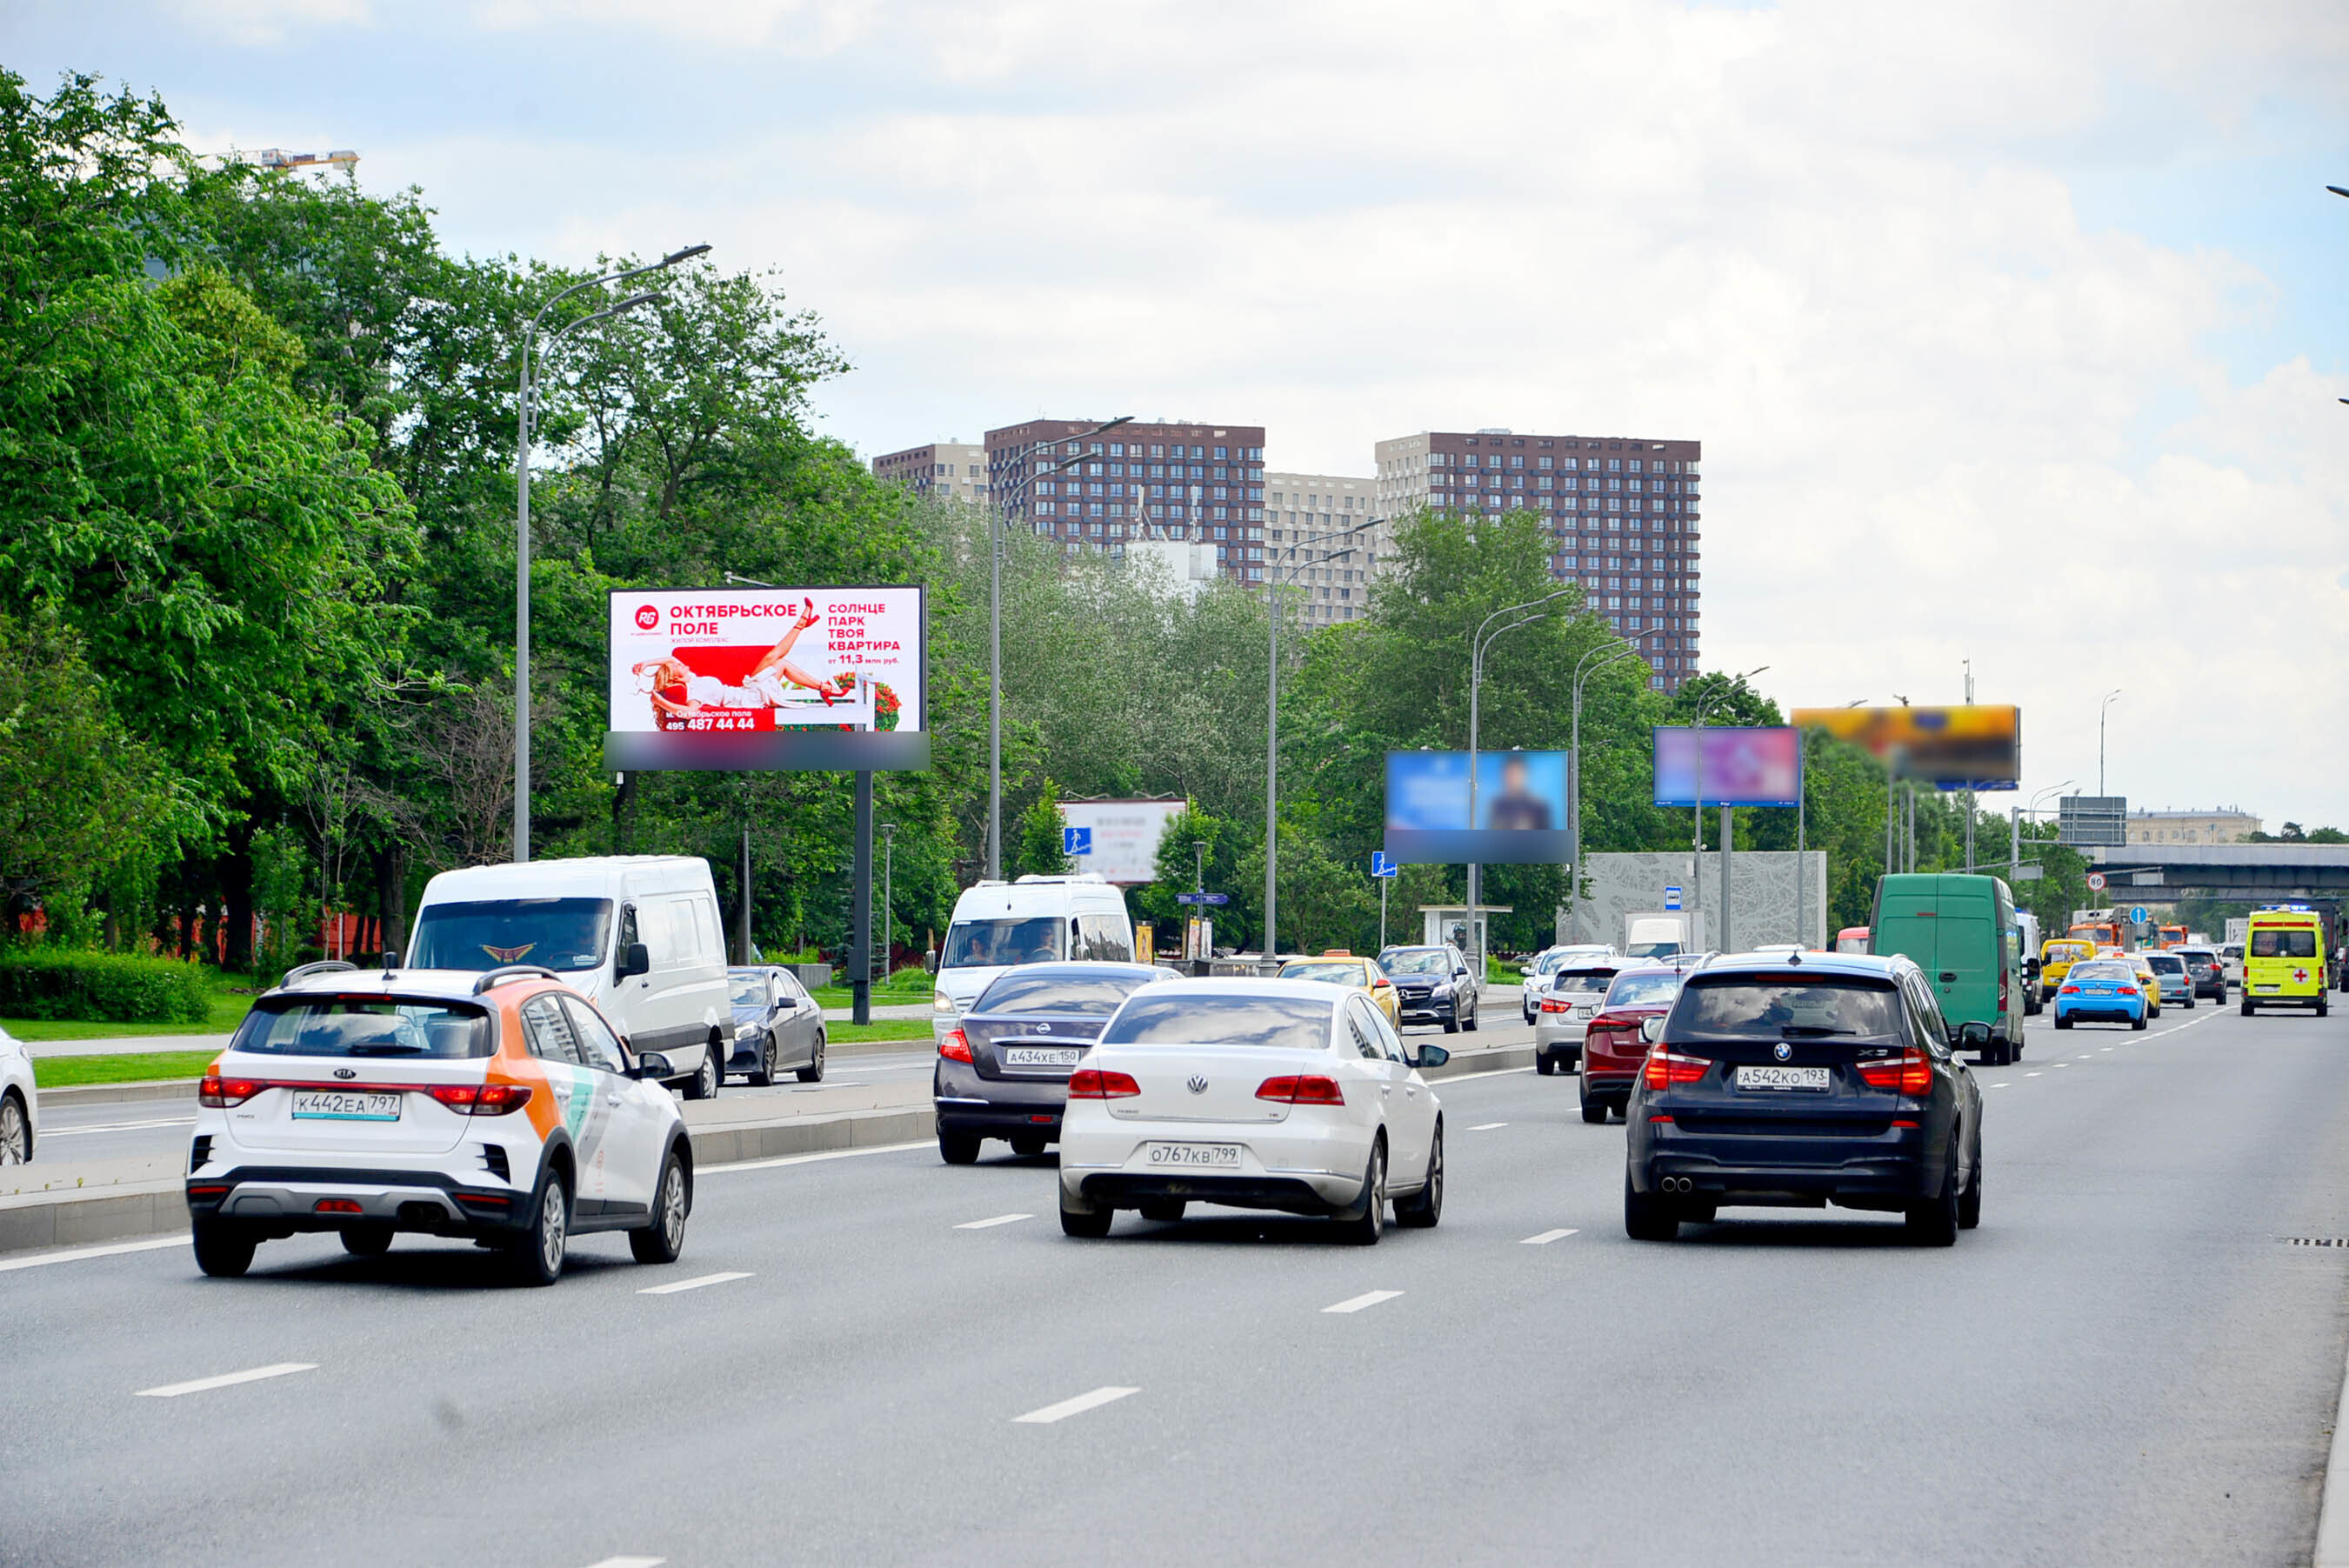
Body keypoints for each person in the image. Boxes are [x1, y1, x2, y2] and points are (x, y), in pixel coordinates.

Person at [637, 598, 839, 717]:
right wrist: (661, 703)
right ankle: (803, 628)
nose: (682, 663)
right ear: (676, 678)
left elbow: (669, 661)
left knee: (775, 659)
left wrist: (646, 663)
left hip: (748, 690)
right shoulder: (694, 692)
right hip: (750, 700)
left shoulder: (694, 679)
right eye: (679, 667)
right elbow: (690, 713)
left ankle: (824, 685)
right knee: (778, 661)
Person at [1485, 755, 1554, 830]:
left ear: (1524, 775)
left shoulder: (1538, 806)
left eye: (1517, 773)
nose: (1513, 778)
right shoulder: (1498, 804)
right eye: (1510, 773)